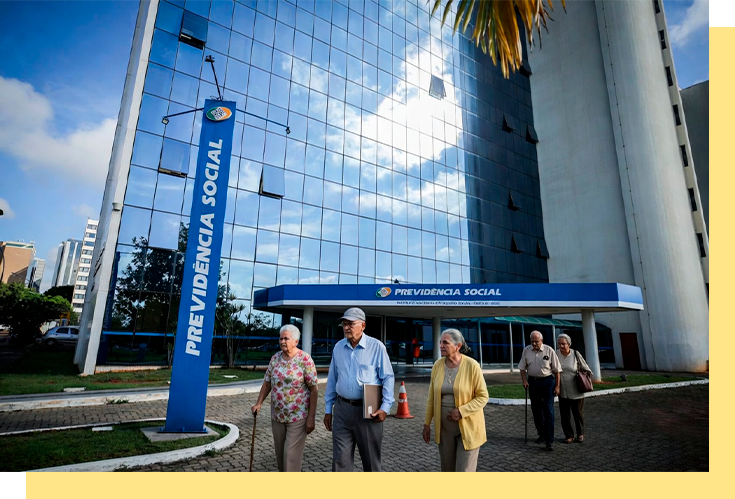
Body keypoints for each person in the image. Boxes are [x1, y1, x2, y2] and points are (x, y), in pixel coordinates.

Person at [323, 307, 395, 471]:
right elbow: (332, 379)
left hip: (368, 411)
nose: (346, 327)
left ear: (363, 325)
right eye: (344, 324)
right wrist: (328, 409)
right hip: (342, 410)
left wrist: (385, 408)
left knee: (371, 462)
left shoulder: (376, 347)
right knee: (340, 461)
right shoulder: (338, 347)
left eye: (351, 324)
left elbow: (388, 378)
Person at [251, 324, 318, 472]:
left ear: (296, 341)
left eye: (286, 338)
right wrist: (258, 403)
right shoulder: (275, 358)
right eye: (281, 338)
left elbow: (314, 390)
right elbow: (267, 383)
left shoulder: (305, 360)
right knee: (281, 457)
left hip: (298, 417)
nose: (282, 341)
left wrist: (311, 418)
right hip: (277, 416)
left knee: (290, 457)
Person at [422, 329, 489, 472]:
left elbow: (483, 396)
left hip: (469, 428)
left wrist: (461, 411)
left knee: (464, 471)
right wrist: (427, 423)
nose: (441, 346)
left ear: (458, 346)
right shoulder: (437, 366)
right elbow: (431, 398)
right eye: (440, 342)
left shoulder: (472, 366)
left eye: (445, 343)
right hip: (445, 430)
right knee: (447, 470)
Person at [518, 330, 562, 451]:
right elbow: (522, 368)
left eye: (536, 341)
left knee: (548, 411)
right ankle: (542, 434)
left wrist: (557, 386)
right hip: (533, 382)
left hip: (547, 382)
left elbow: (557, 371)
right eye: (532, 341)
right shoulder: (526, 350)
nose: (534, 344)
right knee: (536, 410)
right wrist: (524, 380)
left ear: (541, 340)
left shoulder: (549, 350)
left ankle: (549, 440)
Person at [556, 333, 592, 444]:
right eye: (559, 344)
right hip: (562, 389)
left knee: (578, 413)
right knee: (565, 415)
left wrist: (582, 377)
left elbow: (587, 369)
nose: (561, 346)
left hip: (576, 389)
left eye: (563, 344)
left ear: (569, 344)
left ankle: (580, 433)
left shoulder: (575, 354)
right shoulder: (556, 354)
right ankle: (569, 436)